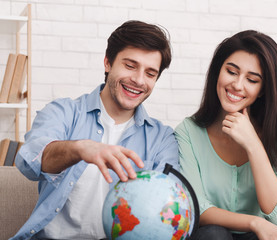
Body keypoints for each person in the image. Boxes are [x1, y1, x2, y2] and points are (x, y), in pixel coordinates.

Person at [12, 20, 179, 240]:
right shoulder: (63, 112)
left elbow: (172, 208)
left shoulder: (162, 139)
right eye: (130, 66)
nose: (139, 80)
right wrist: (80, 149)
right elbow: (30, 162)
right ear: (108, 63)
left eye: (150, 73)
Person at [175, 30, 277, 240]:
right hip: (209, 234)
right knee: (214, 235)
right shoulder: (188, 132)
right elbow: (195, 207)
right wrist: (254, 222)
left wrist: (253, 144)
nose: (238, 85)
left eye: (252, 79)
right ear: (217, 72)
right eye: (231, 72)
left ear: (263, 89)